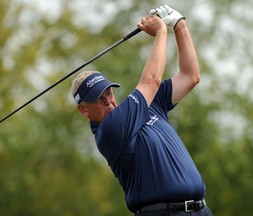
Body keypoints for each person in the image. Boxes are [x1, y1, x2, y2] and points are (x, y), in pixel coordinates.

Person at [71, 5, 213, 216]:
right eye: (98, 99)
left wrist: (179, 25)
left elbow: (190, 76)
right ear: (84, 110)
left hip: (201, 210)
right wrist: (161, 32)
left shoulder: (149, 105)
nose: (108, 101)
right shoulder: (110, 130)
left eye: (108, 93)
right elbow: (152, 80)